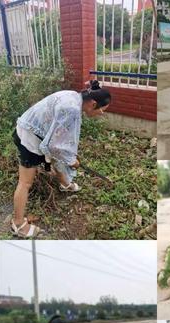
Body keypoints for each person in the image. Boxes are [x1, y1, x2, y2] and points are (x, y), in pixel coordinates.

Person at [11, 80, 112, 237]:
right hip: (29, 137)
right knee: (25, 182)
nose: (102, 113)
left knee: (58, 159)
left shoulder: (74, 96)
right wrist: (71, 161)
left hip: (37, 131)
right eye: (102, 110)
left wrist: (68, 157)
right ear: (93, 104)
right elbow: (54, 146)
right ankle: (18, 224)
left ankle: (65, 184)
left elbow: (59, 140)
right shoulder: (71, 109)